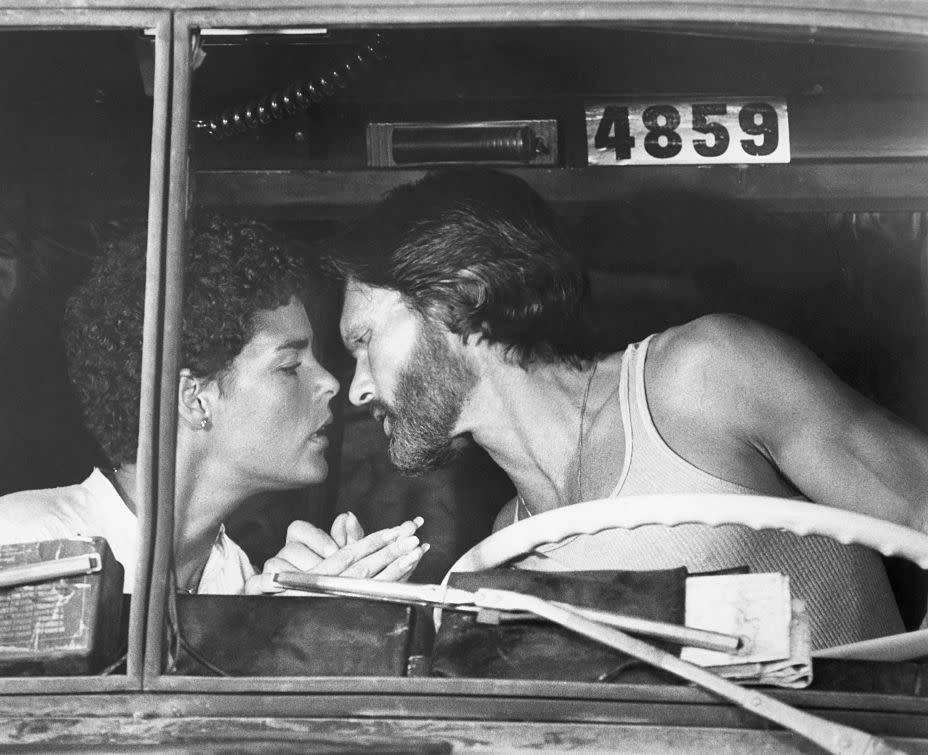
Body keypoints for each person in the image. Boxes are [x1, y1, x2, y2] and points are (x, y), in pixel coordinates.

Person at [329, 168, 928, 648]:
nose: (357, 389)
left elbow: (920, 500)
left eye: (364, 340)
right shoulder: (508, 552)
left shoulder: (702, 378)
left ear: (461, 298)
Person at [0, 215, 428, 594]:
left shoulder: (234, 575)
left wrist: (281, 634)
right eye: (289, 365)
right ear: (195, 397)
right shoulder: (25, 542)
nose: (329, 383)